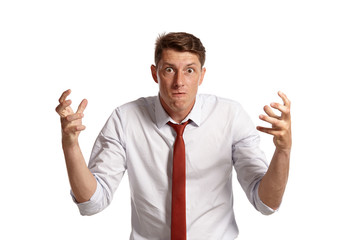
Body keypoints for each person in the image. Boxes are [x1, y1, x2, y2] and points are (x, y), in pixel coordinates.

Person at [55, 32, 292, 240]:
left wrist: (283, 151)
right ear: (154, 73)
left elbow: (266, 203)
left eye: (189, 70)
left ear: (202, 75)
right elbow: (92, 203)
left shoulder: (231, 116)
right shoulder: (124, 119)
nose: (179, 82)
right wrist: (70, 145)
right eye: (169, 69)